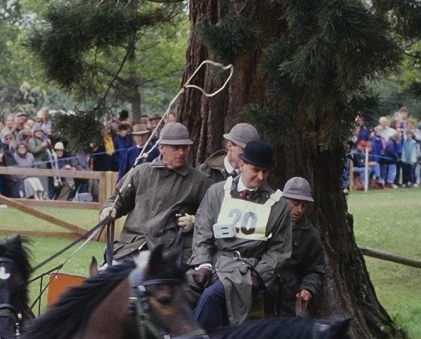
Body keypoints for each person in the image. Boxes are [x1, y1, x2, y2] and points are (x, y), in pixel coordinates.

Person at [189, 138, 292, 328]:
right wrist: (203, 263)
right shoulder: (218, 192)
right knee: (173, 290)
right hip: (214, 262)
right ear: (242, 164)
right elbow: (202, 231)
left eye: (265, 171)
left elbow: (280, 250)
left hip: (244, 269)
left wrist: (259, 275)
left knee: (212, 296)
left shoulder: (277, 206)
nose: (261, 177)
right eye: (256, 170)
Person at [99, 121, 211, 263]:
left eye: (185, 147)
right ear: (161, 147)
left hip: (167, 253)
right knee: (103, 279)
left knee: (137, 281)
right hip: (130, 248)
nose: (182, 152)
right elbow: (117, 199)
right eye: (176, 147)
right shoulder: (140, 172)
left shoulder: (199, 181)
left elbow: (214, 215)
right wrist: (109, 209)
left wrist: (195, 221)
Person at [270, 177, 326, 318]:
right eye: (295, 203)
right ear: (283, 200)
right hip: (263, 294)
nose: (299, 210)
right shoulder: (267, 224)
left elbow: (316, 269)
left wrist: (308, 287)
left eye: (304, 205)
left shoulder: (310, 235)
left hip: (290, 298)